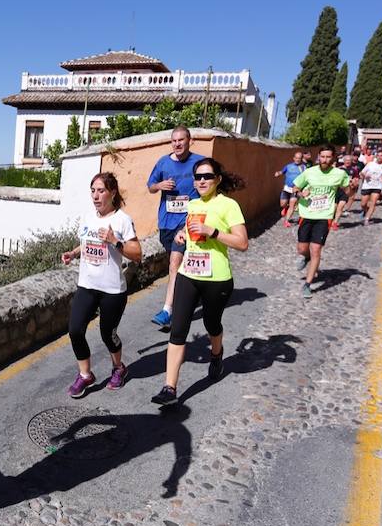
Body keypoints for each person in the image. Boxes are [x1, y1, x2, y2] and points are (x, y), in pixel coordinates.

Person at [150, 158, 248, 405]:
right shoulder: (192, 203)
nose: (201, 181)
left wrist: (211, 231)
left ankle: (217, 354)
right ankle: (169, 388)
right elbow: (192, 232)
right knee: (178, 330)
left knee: (211, 324)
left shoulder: (229, 205)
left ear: (218, 179)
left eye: (207, 176)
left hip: (217, 279)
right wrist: (184, 235)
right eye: (198, 177)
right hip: (189, 275)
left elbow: (242, 243)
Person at [61, 172, 142, 397]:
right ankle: (85, 375)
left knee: (108, 334)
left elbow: (137, 254)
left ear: (112, 193)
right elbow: (86, 242)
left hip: (112, 290)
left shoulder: (122, 220)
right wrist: (73, 253)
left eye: (101, 191)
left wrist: (115, 241)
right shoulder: (89, 217)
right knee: (75, 330)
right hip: (87, 285)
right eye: (93, 191)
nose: (96, 196)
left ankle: (119, 368)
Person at [147, 126, 204, 330]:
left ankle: (167, 311)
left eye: (181, 140)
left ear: (189, 141)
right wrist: (160, 186)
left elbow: (210, 183)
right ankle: (191, 291)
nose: (177, 144)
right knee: (178, 265)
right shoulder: (163, 163)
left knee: (174, 263)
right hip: (166, 222)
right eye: (174, 141)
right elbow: (150, 186)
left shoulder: (199, 162)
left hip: (187, 220)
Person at [292, 145, 349, 298]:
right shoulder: (309, 172)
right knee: (302, 249)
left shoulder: (339, 174)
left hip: (324, 216)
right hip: (306, 214)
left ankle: (308, 285)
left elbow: (347, 188)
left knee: (316, 249)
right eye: (322, 157)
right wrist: (300, 193)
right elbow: (294, 188)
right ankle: (306, 257)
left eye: (328, 157)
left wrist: (349, 191)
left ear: (333, 158)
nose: (324, 160)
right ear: (318, 157)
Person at [275, 152, 306, 227]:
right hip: (286, 188)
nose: (298, 159)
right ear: (294, 158)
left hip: (296, 189)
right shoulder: (288, 166)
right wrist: (278, 173)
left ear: (301, 159)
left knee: (292, 204)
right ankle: (285, 208)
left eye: (299, 158)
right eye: (296, 158)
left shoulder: (303, 167)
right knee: (282, 204)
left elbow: (306, 178)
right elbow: (282, 172)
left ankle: (286, 221)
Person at [359, 153, 382, 225]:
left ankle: (367, 219)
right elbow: (361, 173)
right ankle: (366, 210)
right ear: (376, 156)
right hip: (367, 185)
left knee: (373, 203)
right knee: (363, 204)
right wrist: (365, 176)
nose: (379, 157)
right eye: (378, 155)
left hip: (377, 186)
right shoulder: (370, 164)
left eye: (381, 156)